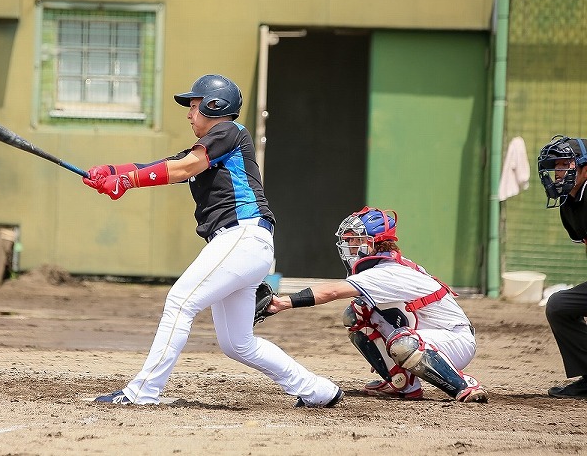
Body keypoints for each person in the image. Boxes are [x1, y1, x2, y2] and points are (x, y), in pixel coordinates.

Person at [81, 74, 343, 408]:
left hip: (241, 237)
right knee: (238, 344)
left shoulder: (229, 131)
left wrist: (127, 181)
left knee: (180, 303)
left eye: (194, 106)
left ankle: (142, 391)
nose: (189, 114)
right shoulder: (211, 146)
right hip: (244, 245)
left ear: (214, 106)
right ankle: (319, 390)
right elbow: (168, 165)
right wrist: (112, 170)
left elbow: (183, 168)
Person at [266, 207, 488, 403]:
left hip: (455, 340)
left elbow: (332, 292)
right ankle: (402, 383)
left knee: (403, 343)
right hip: (432, 334)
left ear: (372, 243)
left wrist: (282, 302)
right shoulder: (384, 266)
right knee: (357, 313)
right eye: (349, 240)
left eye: (355, 240)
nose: (349, 246)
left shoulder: (387, 271)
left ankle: (464, 385)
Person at [537, 135, 587, 399]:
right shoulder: (569, 204)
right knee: (559, 305)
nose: (558, 172)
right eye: (555, 166)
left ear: (585, 168)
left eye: (566, 164)